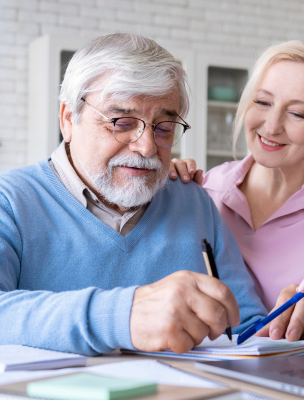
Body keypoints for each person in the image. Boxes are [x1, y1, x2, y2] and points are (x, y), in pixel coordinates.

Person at [0, 33, 267, 356]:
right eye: (123, 123)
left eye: (164, 128)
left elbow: (246, 325)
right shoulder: (11, 201)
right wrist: (121, 315)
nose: (147, 147)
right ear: (69, 120)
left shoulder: (193, 202)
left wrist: (291, 326)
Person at [170, 41, 304, 349]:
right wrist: (163, 189)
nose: (271, 126)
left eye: (296, 113)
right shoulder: (207, 190)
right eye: (262, 102)